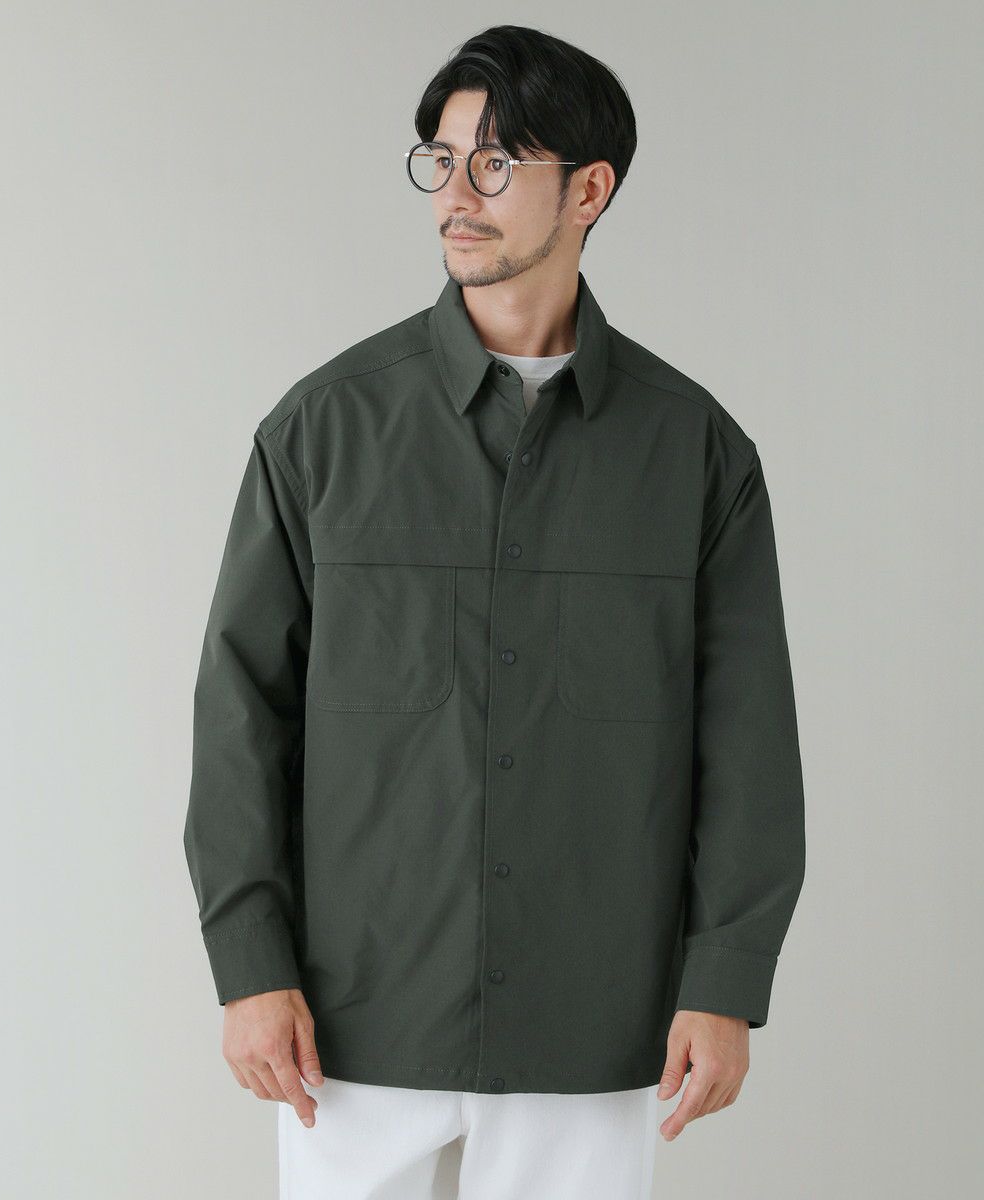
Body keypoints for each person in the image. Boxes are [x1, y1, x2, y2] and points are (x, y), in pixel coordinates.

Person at [183, 23, 806, 1200]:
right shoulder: (323, 432)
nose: (455, 194)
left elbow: (748, 743)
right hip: (352, 1016)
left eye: (496, 162)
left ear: (589, 190)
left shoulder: (693, 454)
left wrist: (725, 980)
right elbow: (241, 715)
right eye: (441, 158)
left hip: (594, 1016)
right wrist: (249, 963)